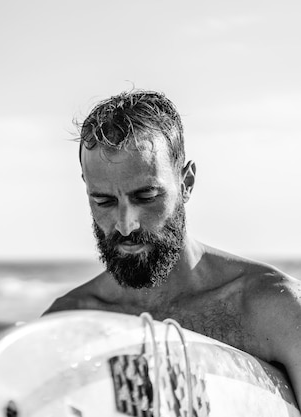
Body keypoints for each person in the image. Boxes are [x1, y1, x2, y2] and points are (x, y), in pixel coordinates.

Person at [43, 89, 301, 405]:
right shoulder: (65, 326)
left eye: (146, 197)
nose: (126, 225)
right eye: (104, 201)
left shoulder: (275, 310)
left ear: (186, 183)